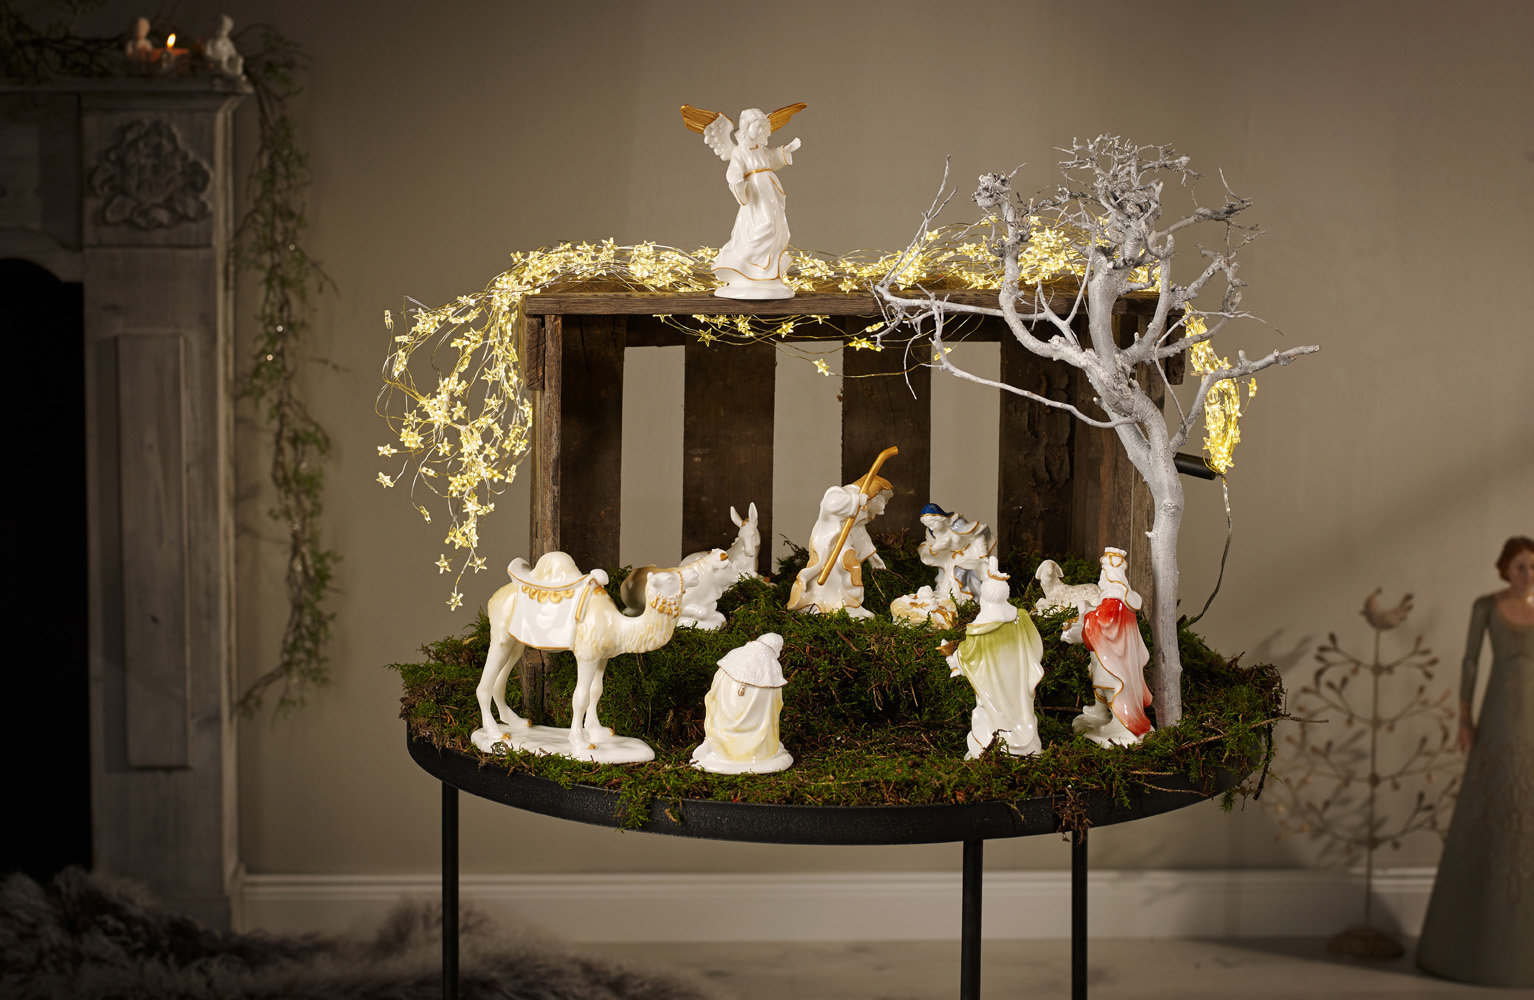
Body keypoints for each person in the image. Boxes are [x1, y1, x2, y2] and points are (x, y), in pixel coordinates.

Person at [1416, 536, 1534, 987]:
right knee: (1488, 802)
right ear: (1505, 569)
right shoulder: (1486, 606)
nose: (1528, 574)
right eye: (1520, 566)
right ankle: (1464, 948)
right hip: (1498, 713)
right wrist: (1464, 717)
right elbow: (1469, 662)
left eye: (1533, 567)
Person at [712, 109, 800, 298]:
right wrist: (737, 181)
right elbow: (733, 171)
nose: (759, 131)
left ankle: (765, 274)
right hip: (756, 191)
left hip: (770, 189)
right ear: (746, 127)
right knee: (765, 225)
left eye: (761, 127)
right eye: (756, 127)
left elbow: (772, 159)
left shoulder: (760, 148)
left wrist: (785, 151)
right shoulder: (740, 151)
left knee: (777, 226)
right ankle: (741, 262)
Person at [785, 477, 891, 618]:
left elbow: (858, 532)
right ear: (872, 493)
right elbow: (830, 504)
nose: (884, 503)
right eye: (881, 498)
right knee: (847, 566)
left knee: (842, 569)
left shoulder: (863, 509)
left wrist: (871, 555)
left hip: (843, 541)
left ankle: (843, 604)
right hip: (829, 541)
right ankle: (837, 604)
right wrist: (855, 500)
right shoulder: (841, 493)